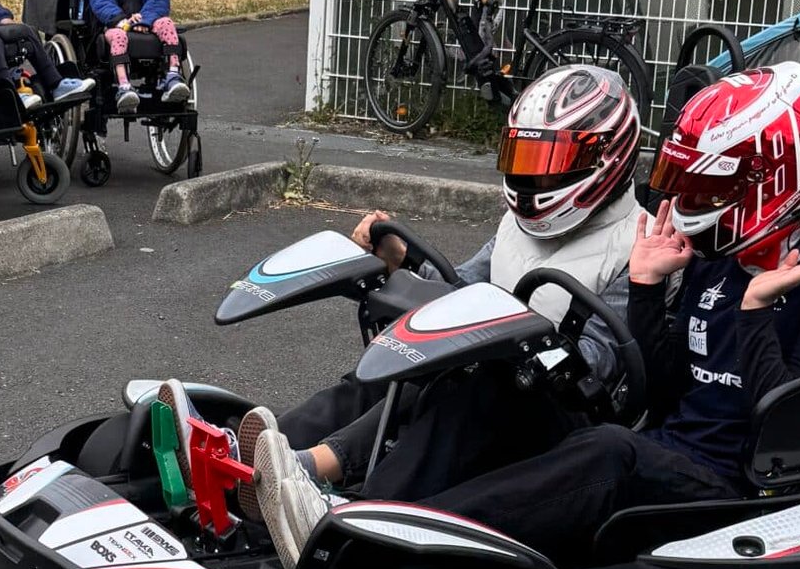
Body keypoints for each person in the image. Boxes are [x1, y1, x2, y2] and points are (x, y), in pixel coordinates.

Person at [250, 63, 800, 569]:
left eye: (711, 188)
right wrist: (648, 289)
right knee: (494, 384)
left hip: (735, 485)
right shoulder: (720, 260)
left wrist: (757, 313)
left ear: (776, 183)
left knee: (604, 451)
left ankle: (376, 536)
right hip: (664, 444)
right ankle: (294, 483)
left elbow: (788, 433)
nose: (690, 202)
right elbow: (670, 385)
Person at [206, 64, 645, 523]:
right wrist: (401, 263)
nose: (531, 177)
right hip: (494, 380)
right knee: (397, 366)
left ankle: (321, 481)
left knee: (472, 387)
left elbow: (604, 360)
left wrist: (515, 346)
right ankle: (254, 453)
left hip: (557, 410)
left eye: (547, 162)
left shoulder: (639, 246)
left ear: (605, 160)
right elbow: (458, 292)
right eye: (523, 159)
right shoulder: (516, 228)